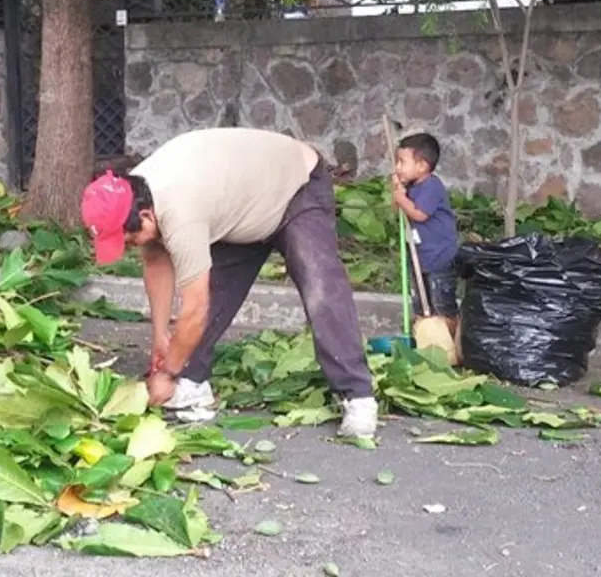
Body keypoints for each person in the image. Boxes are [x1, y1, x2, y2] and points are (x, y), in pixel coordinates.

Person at [80, 127, 378, 439]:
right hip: (242, 204)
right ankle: (192, 385)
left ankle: (357, 395)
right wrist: (159, 337)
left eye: (129, 240)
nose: (128, 246)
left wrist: (167, 371)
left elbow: (194, 309)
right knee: (215, 293)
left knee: (321, 288)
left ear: (146, 217)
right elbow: (155, 260)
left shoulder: (181, 213)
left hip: (295, 188)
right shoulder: (135, 191)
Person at [391, 132, 460, 332]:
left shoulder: (431, 186)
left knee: (441, 306)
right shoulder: (410, 187)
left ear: (422, 165)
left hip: (439, 257)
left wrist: (402, 198)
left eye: (402, 162)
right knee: (421, 304)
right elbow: (397, 209)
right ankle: (426, 340)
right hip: (419, 257)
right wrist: (397, 192)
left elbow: (420, 214)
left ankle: (451, 342)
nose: (397, 167)